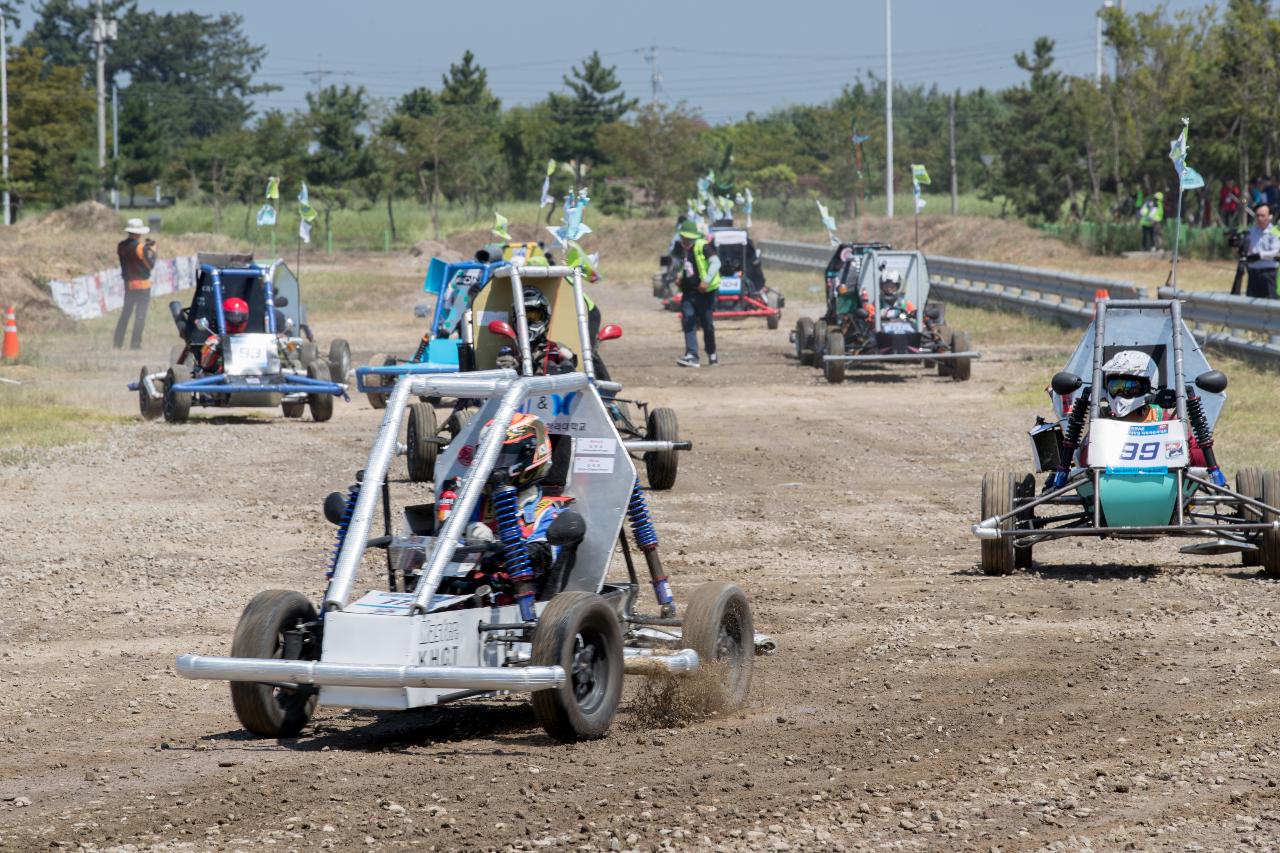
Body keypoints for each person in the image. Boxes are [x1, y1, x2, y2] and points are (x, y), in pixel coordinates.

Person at [674, 220, 720, 368]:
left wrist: (706, 281)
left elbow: (716, 263)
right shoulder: (685, 250)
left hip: (705, 293)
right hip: (688, 292)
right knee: (688, 321)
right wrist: (680, 278)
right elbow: (687, 267)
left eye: (683, 237)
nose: (682, 240)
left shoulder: (703, 246)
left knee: (707, 325)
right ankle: (692, 355)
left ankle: (711, 353)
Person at [113, 218, 157, 349]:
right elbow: (149, 265)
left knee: (125, 315)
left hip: (129, 285)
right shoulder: (139, 247)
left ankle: (117, 343)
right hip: (142, 286)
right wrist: (153, 252)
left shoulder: (121, 246)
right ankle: (135, 344)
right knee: (140, 316)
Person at [1243, 202, 1280, 299]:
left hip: (1268, 274)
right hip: (1253, 273)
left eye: (1262, 216)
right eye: (1257, 216)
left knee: (1270, 305)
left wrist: (1259, 255)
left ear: (1270, 216)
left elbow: (1275, 252)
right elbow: (1245, 249)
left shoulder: (1275, 231)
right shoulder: (1251, 231)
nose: (1259, 218)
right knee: (1251, 306)